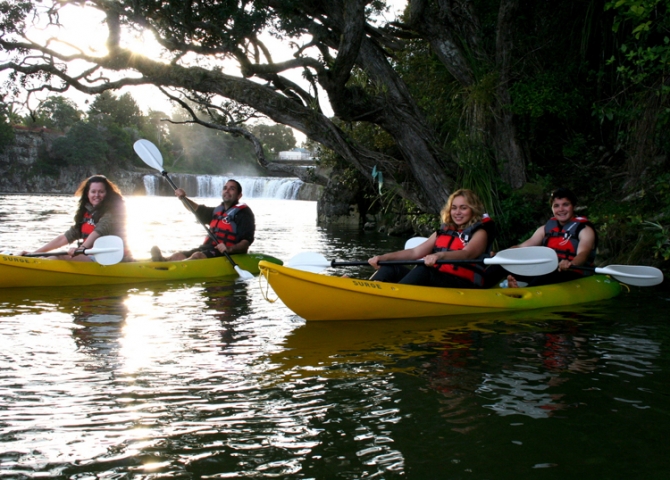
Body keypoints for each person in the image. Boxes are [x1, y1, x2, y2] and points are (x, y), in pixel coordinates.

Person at [367, 189, 495, 289]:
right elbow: (414, 252)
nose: (457, 212)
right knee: (390, 268)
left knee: (424, 269)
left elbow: (467, 254)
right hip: (438, 279)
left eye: (463, 208)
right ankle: (368, 290)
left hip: (463, 284)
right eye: (454, 208)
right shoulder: (444, 231)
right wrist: (384, 258)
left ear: (473, 210)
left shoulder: (480, 232)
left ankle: (390, 296)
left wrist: (439, 256)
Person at [496, 187, 597, 287]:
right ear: (552, 208)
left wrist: (571, 263)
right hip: (548, 270)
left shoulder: (585, 230)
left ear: (573, 206)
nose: (561, 209)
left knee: (545, 275)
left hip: (571, 271)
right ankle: (483, 288)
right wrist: (499, 255)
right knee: (500, 266)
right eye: (556, 206)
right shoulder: (545, 229)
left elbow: (583, 254)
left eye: (565, 205)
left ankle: (523, 291)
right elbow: (521, 247)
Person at [24, 175, 131, 261]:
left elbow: (99, 231)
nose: (97, 195)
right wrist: (34, 253)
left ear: (107, 194)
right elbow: (64, 238)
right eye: (93, 192)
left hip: (114, 259)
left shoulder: (113, 212)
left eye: (101, 192)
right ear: (87, 194)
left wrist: (81, 249)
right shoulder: (86, 214)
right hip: (92, 257)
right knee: (48, 257)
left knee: (59, 258)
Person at [151, 179, 255, 261]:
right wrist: (183, 198)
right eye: (225, 188)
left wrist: (229, 249)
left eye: (232, 188)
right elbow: (197, 210)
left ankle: (174, 270)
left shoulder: (244, 214)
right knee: (178, 255)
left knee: (197, 256)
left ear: (239, 195)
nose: (227, 190)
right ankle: (163, 261)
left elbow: (246, 242)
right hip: (208, 249)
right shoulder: (217, 211)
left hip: (228, 253)